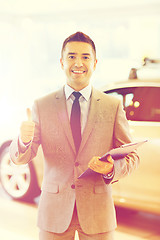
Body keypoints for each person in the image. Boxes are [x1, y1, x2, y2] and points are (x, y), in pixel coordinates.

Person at [10, 32, 139, 240]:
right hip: (54, 213)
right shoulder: (41, 105)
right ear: (61, 62)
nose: (78, 63)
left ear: (95, 63)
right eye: (71, 56)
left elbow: (132, 156)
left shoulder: (112, 106)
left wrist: (111, 169)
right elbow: (21, 158)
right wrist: (23, 140)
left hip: (98, 214)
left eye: (85, 57)